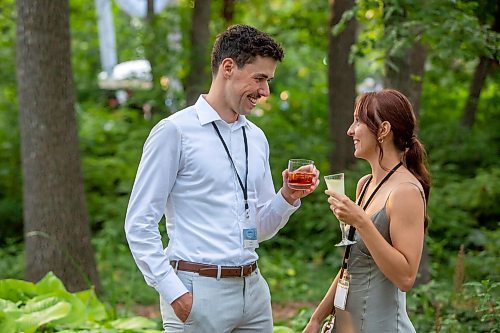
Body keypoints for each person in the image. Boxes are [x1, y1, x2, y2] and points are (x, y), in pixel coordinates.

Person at [124, 24, 319, 333]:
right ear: (228, 67)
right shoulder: (174, 132)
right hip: (197, 291)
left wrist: (287, 196)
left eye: (268, 81)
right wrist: (174, 293)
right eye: (259, 78)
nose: (265, 91)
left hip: (254, 292)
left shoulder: (256, 138)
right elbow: (139, 223)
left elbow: (258, 230)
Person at [303, 89, 430, 333]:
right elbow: (350, 264)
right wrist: (316, 319)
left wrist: (362, 222)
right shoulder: (365, 184)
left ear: (383, 130)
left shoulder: (406, 192)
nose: (350, 130)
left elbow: (405, 278)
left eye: (358, 121)